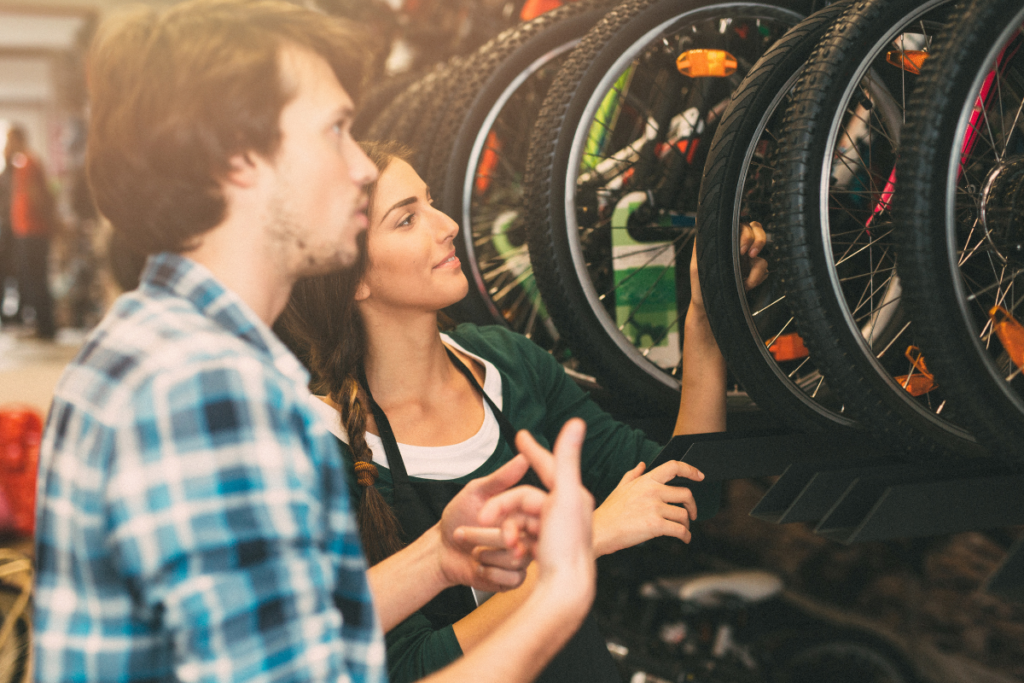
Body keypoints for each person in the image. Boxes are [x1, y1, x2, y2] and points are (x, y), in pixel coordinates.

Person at [33, 2, 598, 682]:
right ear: (241, 157)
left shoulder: (151, 344)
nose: (362, 166)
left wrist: (434, 561)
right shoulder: (212, 396)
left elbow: (258, 629)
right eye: (336, 130)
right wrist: (558, 590)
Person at [280, 140, 769, 683]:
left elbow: (683, 492)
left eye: (431, 201)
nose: (447, 225)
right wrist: (583, 541)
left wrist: (705, 323)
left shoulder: (506, 362)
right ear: (354, 279)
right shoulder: (317, 449)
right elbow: (412, 668)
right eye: (406, 219)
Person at [4, 124, 56, 338]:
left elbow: (37, 196)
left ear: (18, 140)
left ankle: (44, 327)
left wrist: (51, 224)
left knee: (35, 279)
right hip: (27, 230)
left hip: (33, 231)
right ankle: (40, 325)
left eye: (9, 141)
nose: (7, 146)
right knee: (31, 278)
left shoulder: (28, 163)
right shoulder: (23, 163)